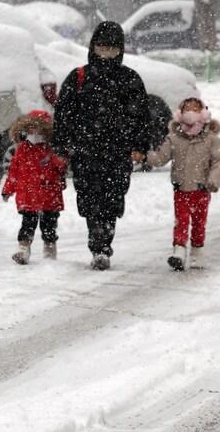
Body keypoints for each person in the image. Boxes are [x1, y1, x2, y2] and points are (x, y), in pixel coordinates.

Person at [52, 21, 152, 271]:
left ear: (120, 50)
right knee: (88, 199)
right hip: (86, 152)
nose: (106, 53)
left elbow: (142, 116)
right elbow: (63, 114)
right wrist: (63, 145)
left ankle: (103, 245)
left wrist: (140, 145)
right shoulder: (78, 78)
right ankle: (97, 243)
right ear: (93, 47)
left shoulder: (130, 79)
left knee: (112, 200)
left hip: (117, 153)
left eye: (112, 49)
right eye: (102, 47)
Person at [147, 98, 220, 271]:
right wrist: (146, 155)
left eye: (195, 109)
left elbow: (219, 161)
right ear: (180, 114)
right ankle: (179, 251)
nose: (190, 112)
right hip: (181, 189)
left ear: (203, 113)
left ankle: (197, 251)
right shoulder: (174, 138)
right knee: (181, 221)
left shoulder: (211, 139)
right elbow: (161, 158)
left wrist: (213, 180)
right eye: (186, 109)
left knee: (199, 222)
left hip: (201, 190)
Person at [0, 110, 68, 265]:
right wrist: (8, 189)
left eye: (38, 129)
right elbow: (14, 171)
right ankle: (24, 248)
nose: (34, 132)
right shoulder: (23, 149)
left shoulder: (52, 149)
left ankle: (50, 249)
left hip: (49, 195)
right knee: (27, 224)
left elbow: (61, 168)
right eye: (31, 128)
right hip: (28, 197)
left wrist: (58, 158)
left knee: (49, 226)